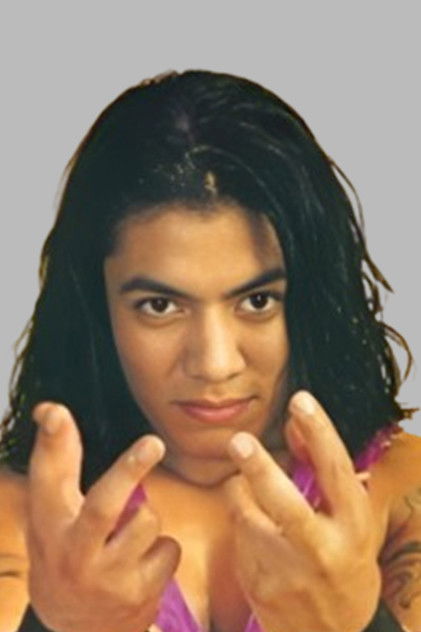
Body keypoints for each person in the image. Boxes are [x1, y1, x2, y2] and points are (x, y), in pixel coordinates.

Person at [0, 69, 419, 632]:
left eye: (257, 301)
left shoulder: (402, 488)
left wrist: (354, 623)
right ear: (96, 311)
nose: (215, 364)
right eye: (159, 306)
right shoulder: (23, 514)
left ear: (312, 301)